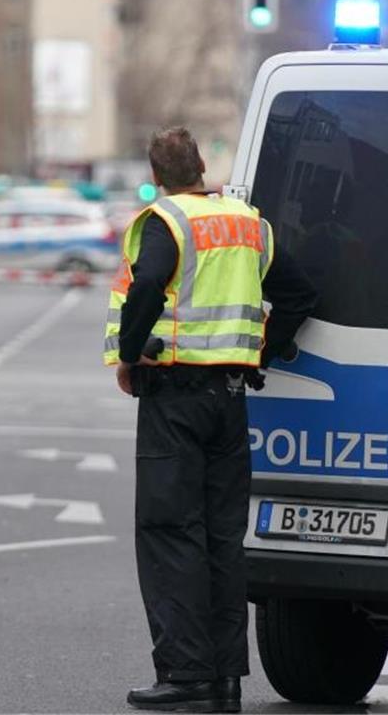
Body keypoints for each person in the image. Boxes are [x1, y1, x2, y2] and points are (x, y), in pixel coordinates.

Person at [103, 127, 316, 713]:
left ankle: (186, 675)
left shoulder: (166, 221)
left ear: (157, 174)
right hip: (230, 397)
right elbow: (301, 294)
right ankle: (225, 680)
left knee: (171, 533)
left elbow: (147, 284)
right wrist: (258, 353)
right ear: (201, 165)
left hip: (175, 397)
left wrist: (130, 351)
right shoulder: (248, 223)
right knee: (224, 538)